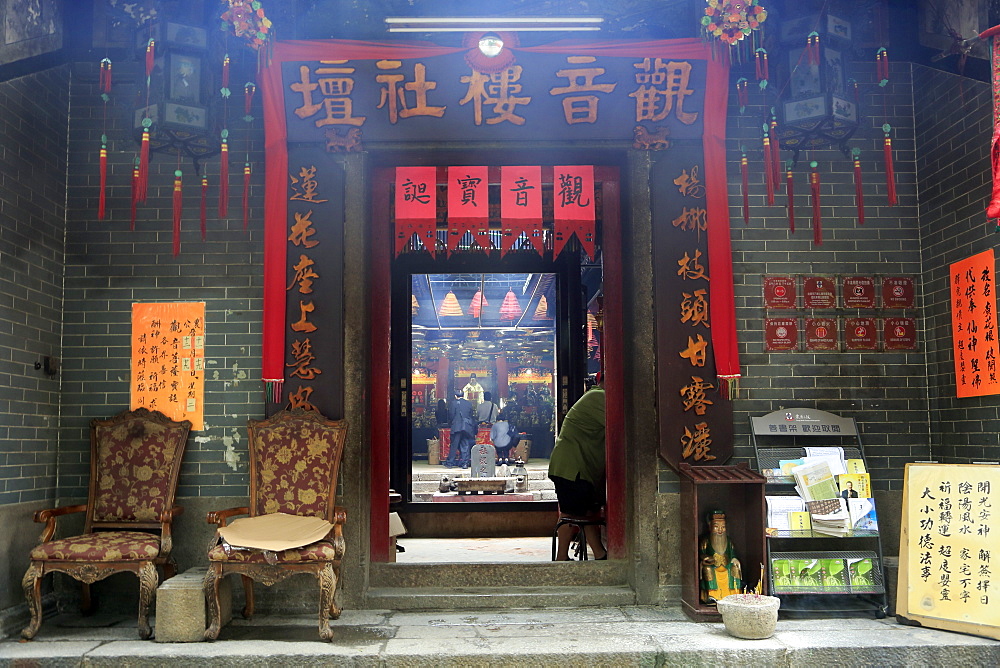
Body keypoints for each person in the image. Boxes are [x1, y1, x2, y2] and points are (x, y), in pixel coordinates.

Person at [548, 375, 606, 561]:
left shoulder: (595, 396)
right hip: (572, 467)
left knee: (585, 511)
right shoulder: (598, 397)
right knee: (571, 513)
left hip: (574, 466)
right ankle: (562, 557)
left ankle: (599, 554)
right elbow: (625, 425)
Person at [699, 510, 742, 604]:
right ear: (710, 526)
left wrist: (734, 558)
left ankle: (734, 594)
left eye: (723, 527)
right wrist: (706, 558)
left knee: (735, 568)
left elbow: (732, 553)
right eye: (716, 527)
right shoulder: (706, 541)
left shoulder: (728, 541)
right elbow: (701, 553)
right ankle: (713, 595)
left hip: (727, 565)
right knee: (707, 570)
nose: (720, 530)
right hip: (713, 565)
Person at [444, 390, 474, 469]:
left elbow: (451, 415)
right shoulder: (468, 403)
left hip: (457, 427)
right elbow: (471, 415)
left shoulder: (453, 403)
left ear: (455, 396)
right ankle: (465, 463)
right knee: (465, 445)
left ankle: (450, 463)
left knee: (454, 445)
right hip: (466, 427)